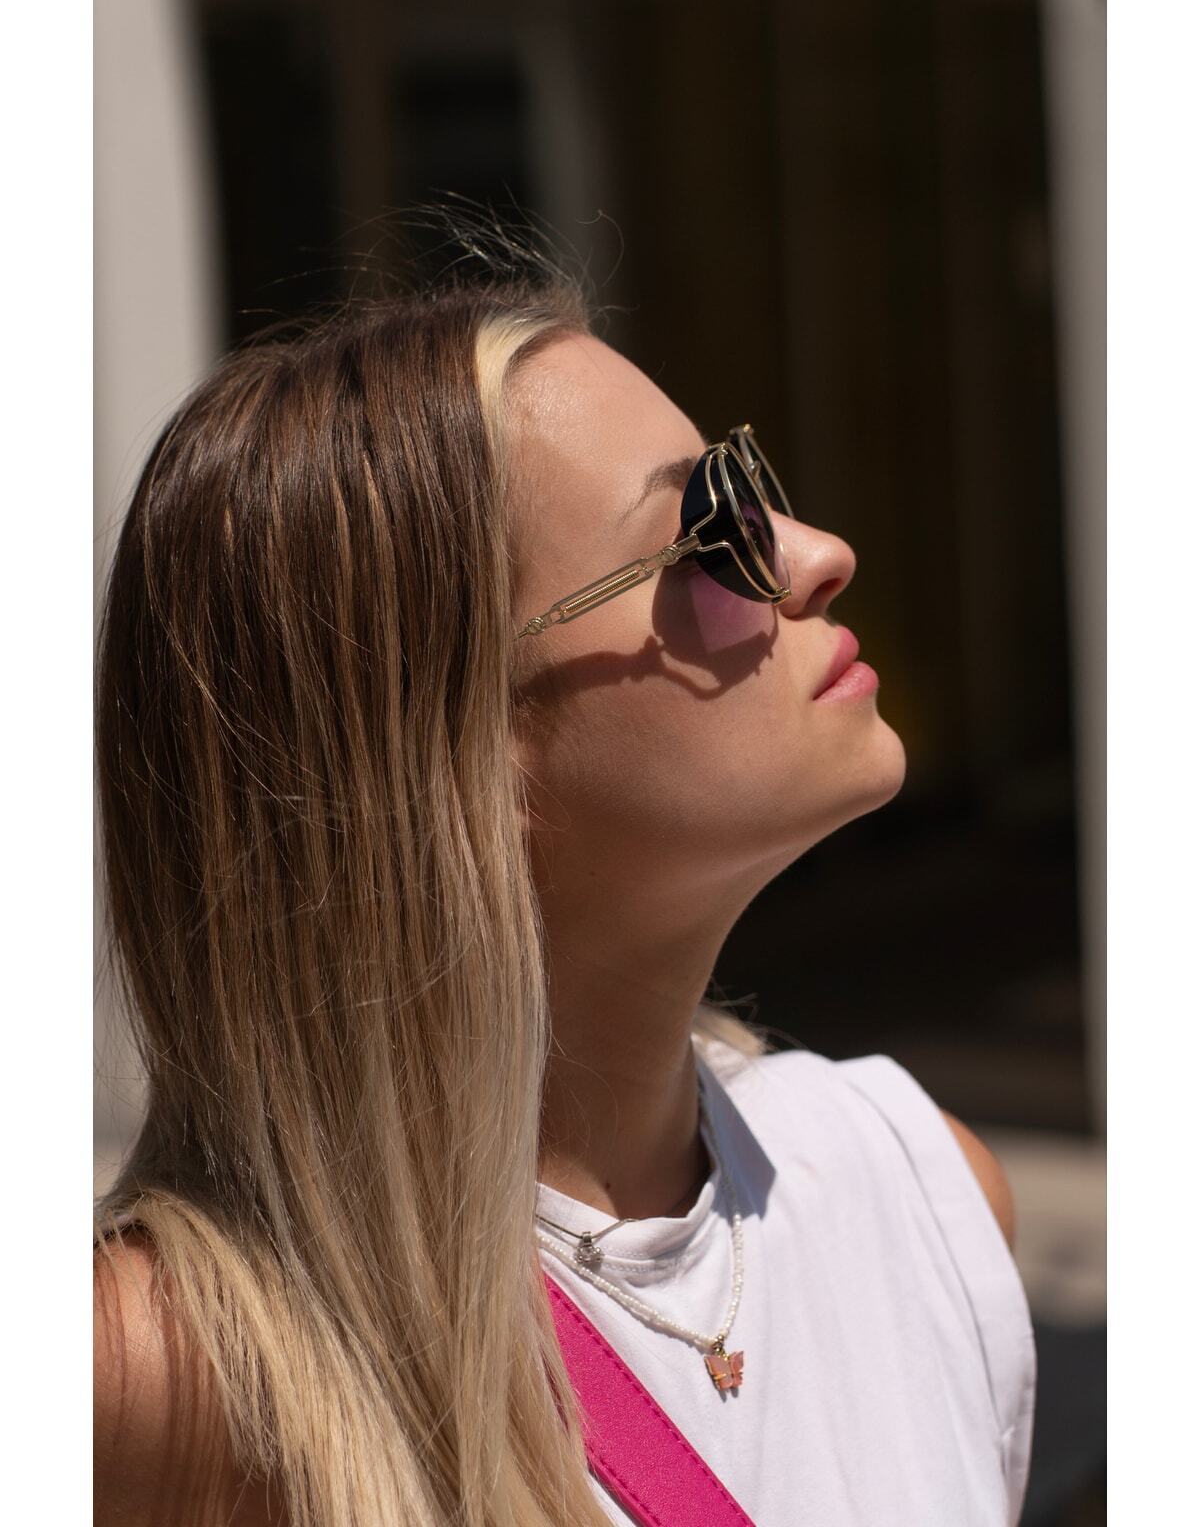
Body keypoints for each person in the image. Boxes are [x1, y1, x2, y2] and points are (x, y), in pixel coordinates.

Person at [94, 235, 1036, 1527]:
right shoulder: (166, 1380)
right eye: (713, 531)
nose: (818, 554)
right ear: (462, 755)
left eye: (754, 484)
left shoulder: (923, 1193)